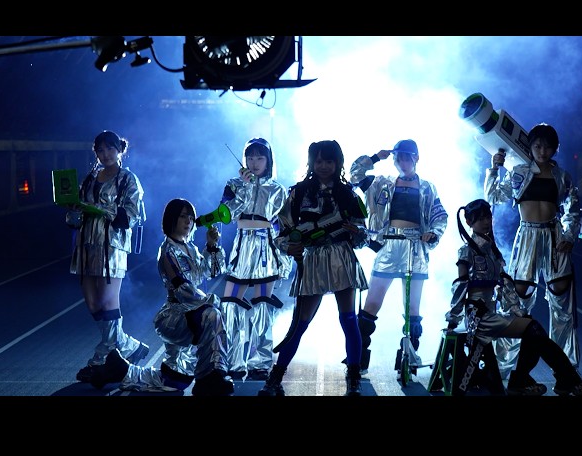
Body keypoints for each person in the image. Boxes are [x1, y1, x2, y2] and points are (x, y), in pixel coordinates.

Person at [445, 198, 582, 396]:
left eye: (488, 217)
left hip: (490, 314)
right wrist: (453, 319)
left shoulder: (492, 251)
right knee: (534, 330)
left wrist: (519, 311)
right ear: (469, 223)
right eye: (480, 219)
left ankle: (534, 380)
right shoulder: (466, 251)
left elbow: (506, 287)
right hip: (477, 318)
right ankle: (556, 380)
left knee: (533, 329)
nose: (486, 222)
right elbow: (460, 286)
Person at [88, 198, 235, 396]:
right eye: (183, 216)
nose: (189, 221)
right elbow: (182, 289)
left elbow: (210, 272)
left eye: (191, 217)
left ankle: (122, 370)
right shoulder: (167, 251)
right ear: (172, 219)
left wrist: (212, 246)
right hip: (176, 316)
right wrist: (210, 301)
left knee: (174, 381)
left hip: (192, 312)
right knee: (212, 315)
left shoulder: (190, 248)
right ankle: (212, 376)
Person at [258, 140, 370, 397]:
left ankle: (353, 378)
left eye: (329, 161)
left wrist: (355, 232)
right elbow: (281, 229)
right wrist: (290, 247)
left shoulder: (349, 194)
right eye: (318, 161)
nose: (323, 166)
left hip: (341, 258)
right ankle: (275, 378)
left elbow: (363, 233)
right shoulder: (298, 193)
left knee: (349, 320)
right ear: (311, 162)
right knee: (299, 324)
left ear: (337, 163)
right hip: (312, 260)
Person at [485, 123, 582, 380]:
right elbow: (494, 196)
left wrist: (569, 236)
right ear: (530, 147)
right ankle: (505, 365)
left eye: (548, 147)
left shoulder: (563, 177)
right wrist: (494, 168)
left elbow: (573, 210)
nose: (542, 151)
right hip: (526, 238)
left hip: (555, 238)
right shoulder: (518, 172)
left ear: (555, 148)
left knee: (562, 302)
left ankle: (565, 368)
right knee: (517, 300)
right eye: (538, 146)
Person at [348, 139, 448, 374]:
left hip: (416, 249)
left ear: (416, 159)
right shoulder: (381, 183)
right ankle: (357, 360)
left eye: (406, 158)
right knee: (372, 304)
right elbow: (354, 175)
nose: (402, 163)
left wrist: (433, 233)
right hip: (388, 246)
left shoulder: (428, 188)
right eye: (398, 158)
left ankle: (409, 361)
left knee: (413, 310)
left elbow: (439, 216)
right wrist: (375, 157)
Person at [67, 130, 149, 383]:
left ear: (120, 150)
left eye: (110, 149)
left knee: (107, 302)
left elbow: (132, 215)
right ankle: (129, 346)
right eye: (100, 150)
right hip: (86, 244)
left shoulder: (128, 179)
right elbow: (74, 219)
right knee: (93, 304)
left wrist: (101, 209)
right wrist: (74, 210)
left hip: (111, 246)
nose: (105, 155)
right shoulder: (89, 179)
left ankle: (102, 359)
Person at [219, 138, 292, 381]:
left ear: (269, 160)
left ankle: (260, 362)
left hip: (265, 247)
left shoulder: (278, 189)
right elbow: (227, 215)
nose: (254, 162)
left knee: (262, 305)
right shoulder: (233, 184)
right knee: (230, 304)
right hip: (241, 246)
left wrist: (285, 256)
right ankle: (232, 361)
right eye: (250, 157)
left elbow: (284, 225)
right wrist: (245, 187)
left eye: (260, 157)